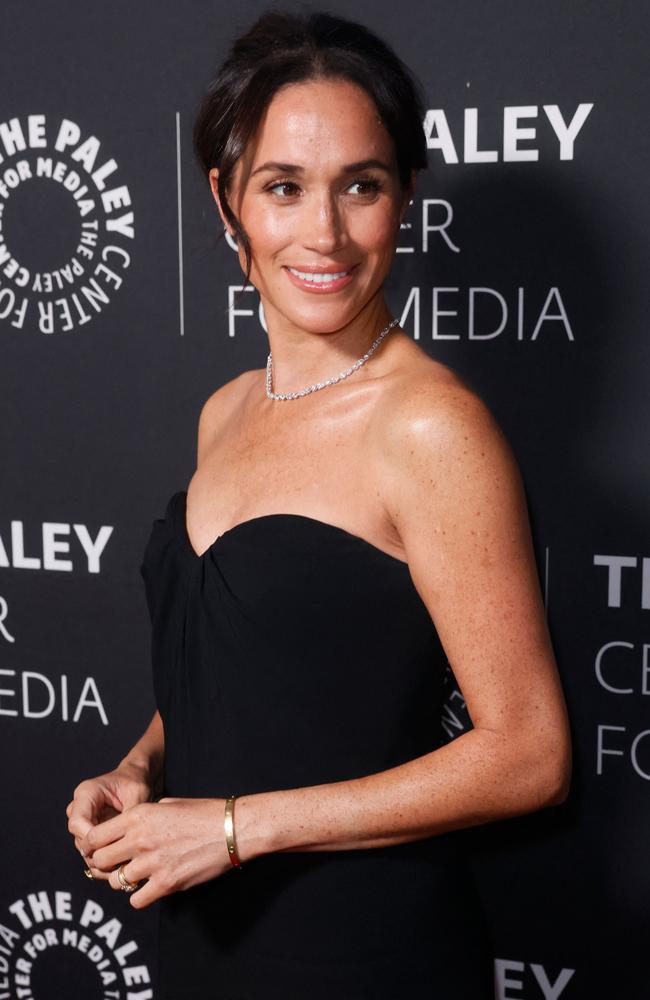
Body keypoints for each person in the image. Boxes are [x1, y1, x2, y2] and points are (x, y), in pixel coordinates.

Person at [66, 9, 572, 998]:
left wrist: (229, 827)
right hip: (204, 932)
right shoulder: (224, 411)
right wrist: (139, 770)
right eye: (284, 187)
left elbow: (530, 754)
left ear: (404, 199)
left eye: (362, 186)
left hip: (360, 953)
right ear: (225, 202)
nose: (325, 232)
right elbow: (260, 677)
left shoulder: (429, 428)